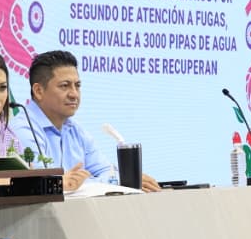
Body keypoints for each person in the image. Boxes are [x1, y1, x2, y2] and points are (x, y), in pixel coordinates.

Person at [13, 50, 161, 193]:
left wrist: (124, 180)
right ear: (39, 91)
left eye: (77, 86)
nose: (74, 94)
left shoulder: (75, 129)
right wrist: (73, 183)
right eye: (64, 86)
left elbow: (106, 171)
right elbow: (42, 184)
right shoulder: (22, 129)